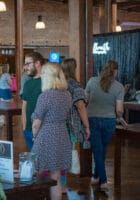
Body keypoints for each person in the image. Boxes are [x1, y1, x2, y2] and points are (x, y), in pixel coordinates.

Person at [31, 62, 72, 200]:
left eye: (43, 73)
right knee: (56, 177)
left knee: (35, 172)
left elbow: (36, 123)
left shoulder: (45, 96)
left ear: (48, 77)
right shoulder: (67, 95)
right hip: (62, 135)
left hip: (46, 135)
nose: (41, 76)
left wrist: (34, 137)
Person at [85, 60, 127, 191]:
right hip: (109, 121)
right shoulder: (119, 86)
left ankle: (96, 176)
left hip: (92, 119)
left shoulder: (92, 81)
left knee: (98, 150)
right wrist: (121, 119)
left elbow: (85, 100)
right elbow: (119, 110)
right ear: (116, 71)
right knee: (101, 149)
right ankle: (102, 181)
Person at [61, 58, 91, 192]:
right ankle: (64, 184)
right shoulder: (75, 86)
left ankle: (61, 182)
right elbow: (80, 106)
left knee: (60, 152)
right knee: (69, 152)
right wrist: (86, 126)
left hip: (59, 123)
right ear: (74, 69)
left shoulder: (59, 85)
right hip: (72, 124)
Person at [21, 52, 45, 150]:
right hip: (28, 130)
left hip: (43, 130)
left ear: (37, 63)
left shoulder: (47, 82)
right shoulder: (27, 84)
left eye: (28, 64)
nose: (25, 67)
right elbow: (24, 106)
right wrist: (24, 127)